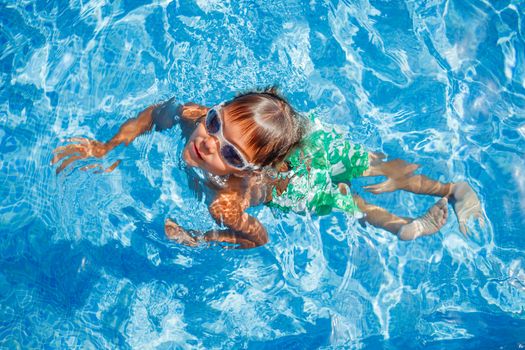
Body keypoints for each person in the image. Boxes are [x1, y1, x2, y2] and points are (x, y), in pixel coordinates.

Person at [52, 88, 484, 249]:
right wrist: (106, 146)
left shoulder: (227, 200)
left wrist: (204, 238)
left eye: (231, 155)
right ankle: (407, 226)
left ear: (248, 168)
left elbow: (258, 237)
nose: (207, 143)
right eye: (215, 122)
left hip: (294, 180)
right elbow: (154, 113)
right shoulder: (193, 119)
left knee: (369, 168)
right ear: (214, 110)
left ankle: (450, 188)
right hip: (292, 144)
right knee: (349, 198)